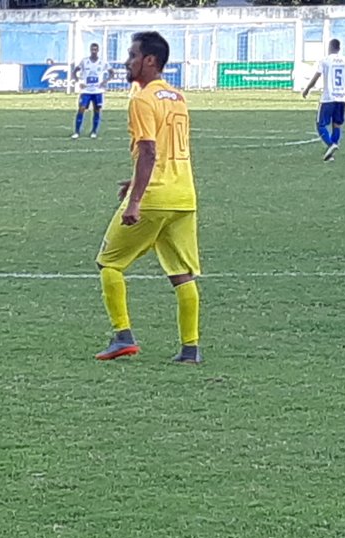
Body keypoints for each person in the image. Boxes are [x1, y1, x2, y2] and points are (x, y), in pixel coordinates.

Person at [94, 32, 201, 365]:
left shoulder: (141, 99)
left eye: (132, 55)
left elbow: (150, 149)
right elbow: (165, 150)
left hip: (154, 198)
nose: (127, 61)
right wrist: (137, 180)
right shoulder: (177, 97)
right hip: (183, 197)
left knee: (109, 263)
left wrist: (136, 199)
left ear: (150, 60)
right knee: (182, 274)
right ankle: (190, 349)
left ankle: (122, 336)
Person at [302, 39, 345, 163]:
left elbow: (316, 77)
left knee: (320, 125)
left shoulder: (325, 61)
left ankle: (331, 145)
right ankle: (330, 155)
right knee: (337, 125)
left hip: (328, 98)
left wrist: (307, 89)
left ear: (330, 47)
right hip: (341, 98)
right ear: (339, 48)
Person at [72, 42, 109, 139]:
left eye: (95, 49)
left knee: (97, 110)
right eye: (92, 49)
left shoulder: (102, 62)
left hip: (98, 91)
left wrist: (105, 81)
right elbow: (75, 71)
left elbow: (112, 72)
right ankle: (76, 132)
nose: (94, 51)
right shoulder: (84, 61)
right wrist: (79, 81)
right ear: (90, 50)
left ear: (98, 50)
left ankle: (94, 132)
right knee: (81, 109)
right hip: (86, 91)